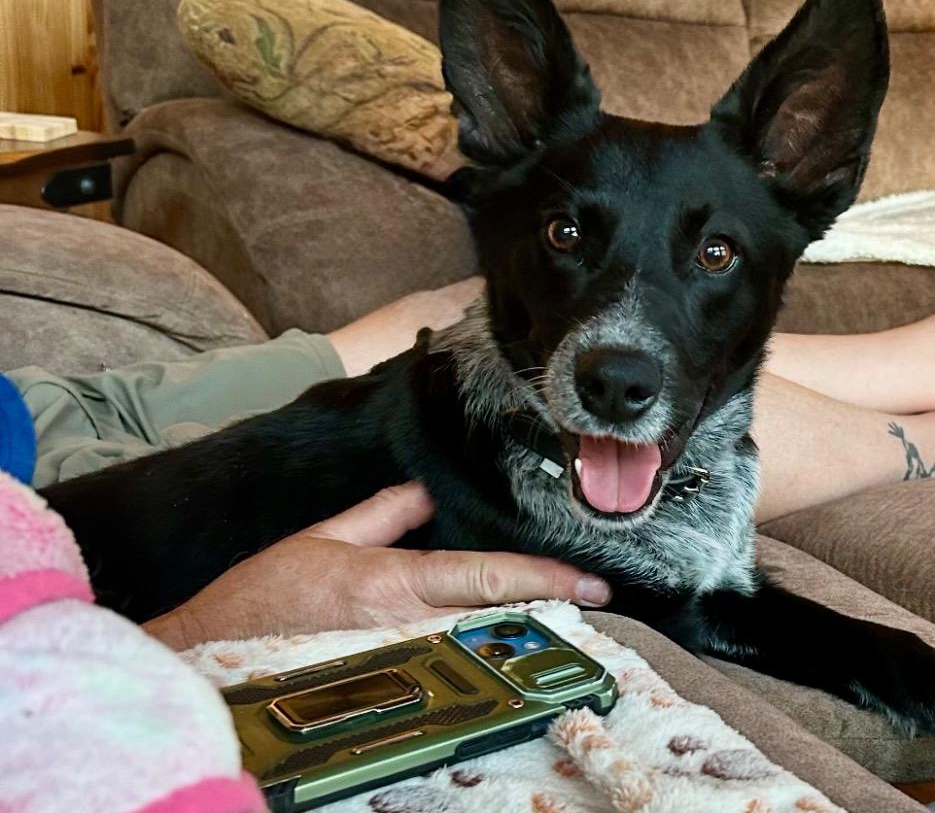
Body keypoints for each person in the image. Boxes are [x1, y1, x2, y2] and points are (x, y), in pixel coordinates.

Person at [2, 278, 933, 649]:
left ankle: (907, 356)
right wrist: (203, 631)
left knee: (471, 315)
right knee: (571, 361)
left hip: (27, 407)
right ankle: (923, 437)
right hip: (34, 504)